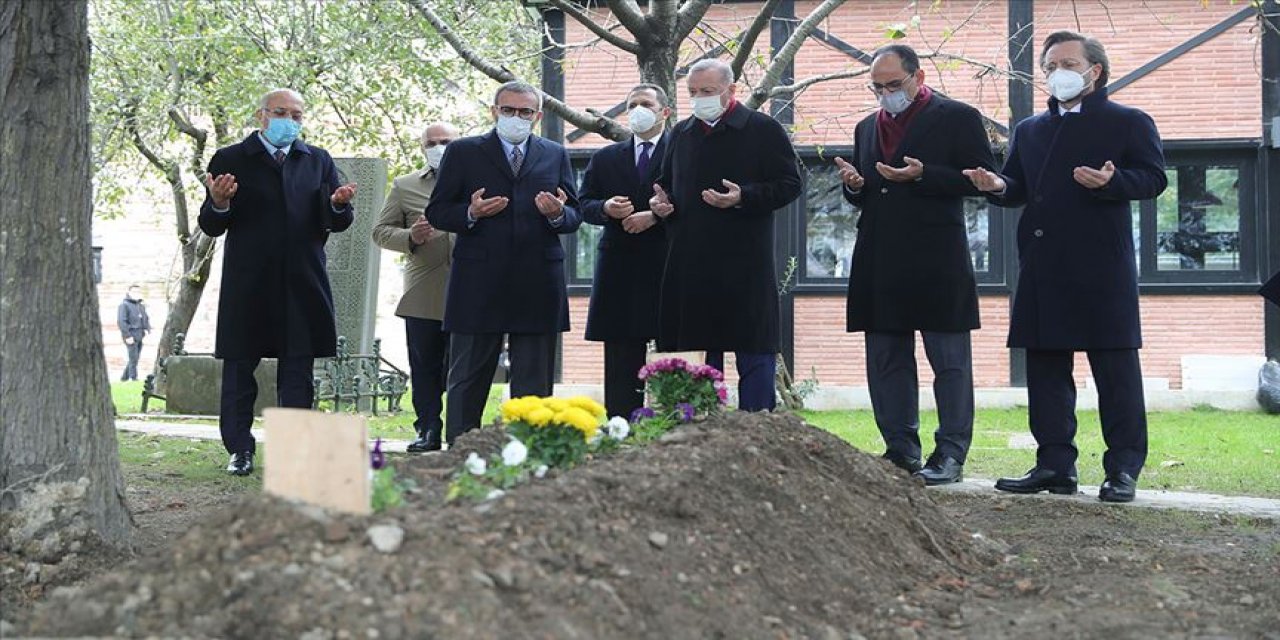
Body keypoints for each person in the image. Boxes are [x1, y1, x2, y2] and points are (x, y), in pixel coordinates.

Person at [964, 31, 1167, 503]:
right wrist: (995, 183)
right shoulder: (1029, 130)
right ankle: (1055, 465)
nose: (1058, 72)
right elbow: (1016, 186)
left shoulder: (1130, 122)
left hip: (1101, 266)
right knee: (1047, 371)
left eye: (1068, 63)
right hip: (1043, 263)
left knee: (1115, 373)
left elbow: (1154, 178)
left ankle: (1122, 470)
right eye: (1050, 64)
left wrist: (1112, 183)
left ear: (1094, 71)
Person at [834, 44, 997, 486]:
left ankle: (950, 454)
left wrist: (923, 175)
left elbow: (984, 178)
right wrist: (854, 186)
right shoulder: (867, 127)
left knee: (950, 361)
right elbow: (870, 192)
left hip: (936, 257)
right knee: (886, 359)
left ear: (918, 77)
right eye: (877, 87)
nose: (886, 94)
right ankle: (901, 449)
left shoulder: (957, 117)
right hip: (880, 258)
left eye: (894, 85)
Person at [198, 88, 358, 476]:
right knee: (239, 369)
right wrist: (219, 202)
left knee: (298, 371)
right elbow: (211, 224)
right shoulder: (231, 158)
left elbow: (334, 222)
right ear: (261, 116)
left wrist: (338, 204)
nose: (290, 121)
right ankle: (240, 449)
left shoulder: (316, 159)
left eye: (297, 115)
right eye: (281, 112)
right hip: (249, 282)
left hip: (302, 280)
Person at [426, 81, 581, 444]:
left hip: (538, 280)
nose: (516, 118)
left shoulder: (554, 153)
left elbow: (574, 213)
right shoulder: (464, 152)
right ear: (494, 111)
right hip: (478, 281)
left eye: (525, 112)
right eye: (508, 110)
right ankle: (463, 453)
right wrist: (470, 211)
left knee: (534, 381)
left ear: (538, 116)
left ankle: (529, 454)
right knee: (467, 377)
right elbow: (437, 210)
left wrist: (558, 214)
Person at [649, 59, 801, 412]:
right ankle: (700, 426)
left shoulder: (763, 130)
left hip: (744, 261)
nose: (699, 99)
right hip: (691, 261)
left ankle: (758, 425)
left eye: (708, 92)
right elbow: (664, 186)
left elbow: (789, 185)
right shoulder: (681, 134)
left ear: (731, 91)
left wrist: (743, 196)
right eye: (692, 92)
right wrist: (661, 204)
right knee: (699, 351)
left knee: (754, 348)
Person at [579, 84, 671, 418]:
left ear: (665, 111)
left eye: (645, 103)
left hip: (669, 267)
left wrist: (655, 218)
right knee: (620, 359)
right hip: (620, 269)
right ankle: (620, 426)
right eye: (632, 105)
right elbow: (583, 204)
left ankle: (677, 427)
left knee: (675, 354)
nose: (637, 110)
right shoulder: (605, 158)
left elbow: (695, 201)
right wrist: (605, 207)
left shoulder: (684, 151)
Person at [372, 122, 459, 453]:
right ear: (422, 147)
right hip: (424, 292)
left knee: (462, 365)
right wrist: (411, 237)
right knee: (425, 366)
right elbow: (380, 231)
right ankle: (427, 429)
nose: (439, 147)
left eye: (446, 141)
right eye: (432, 143)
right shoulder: (405, 185)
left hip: (471, 288)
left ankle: (462, 430)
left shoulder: (478, 181)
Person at [116, 284, 151, 381]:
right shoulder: (124, 305)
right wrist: (127, 335)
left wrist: (147, 329)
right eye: (134, 292)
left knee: (135, 358)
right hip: (130, 335)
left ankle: (124, 378)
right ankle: (133, 378)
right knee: (133, 358)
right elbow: (121, 321)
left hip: (140, 335)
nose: (137, 294)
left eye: (138, 292)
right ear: (129, 292)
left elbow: (145, 318)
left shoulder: (140, 305)